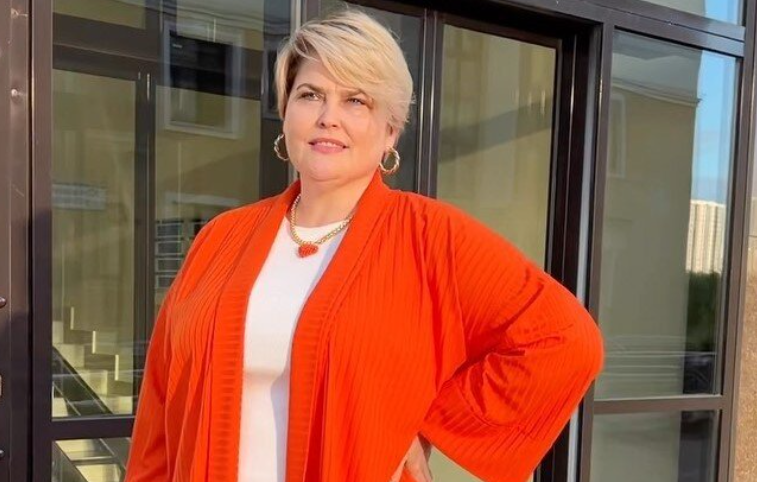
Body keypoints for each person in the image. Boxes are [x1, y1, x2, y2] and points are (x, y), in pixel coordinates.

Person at [124, 9, 604, 482]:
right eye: (310, 95)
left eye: (356, 100)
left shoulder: (430, 238)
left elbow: (563, 339)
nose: (328, 118)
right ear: (286, 113)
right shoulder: (221, 238)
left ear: (390, 130)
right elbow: (161, 403)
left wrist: (431, 424)